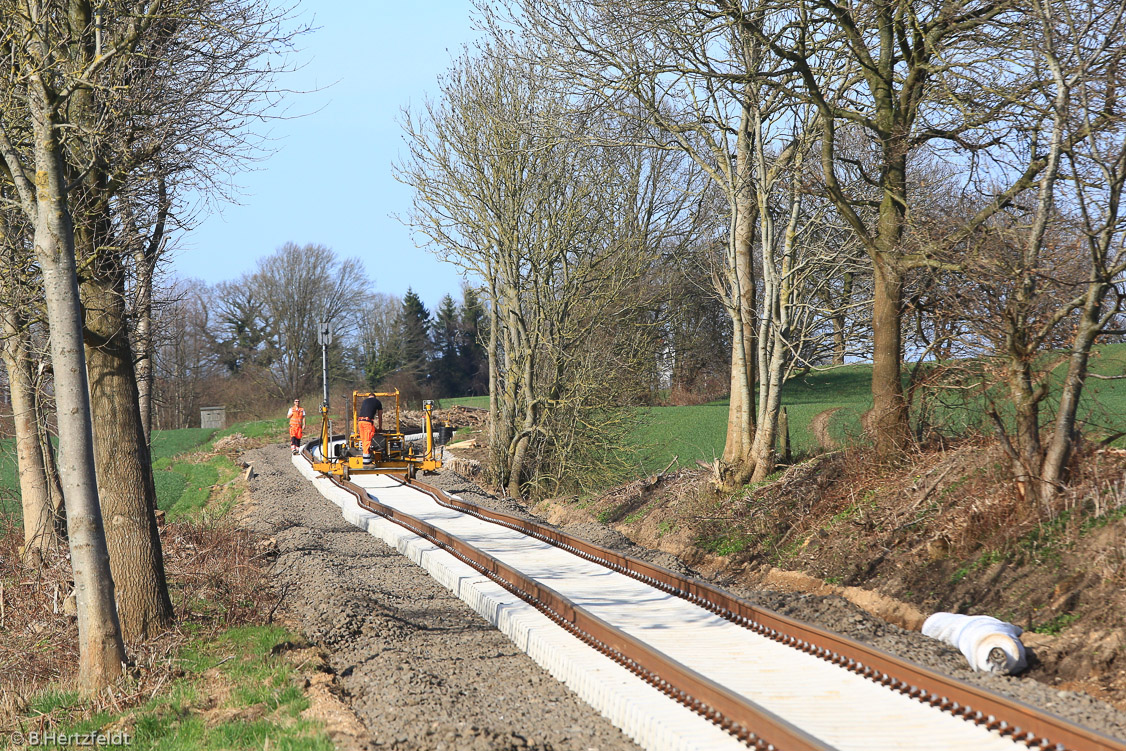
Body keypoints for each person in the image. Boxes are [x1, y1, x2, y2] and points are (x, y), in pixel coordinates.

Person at [357, 394, 383, 463]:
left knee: (363, 440)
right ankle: (366, 460)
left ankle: (366, 455)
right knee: (367, 440)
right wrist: (380, 428)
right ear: (374, 397)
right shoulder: (377, 402)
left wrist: (374, 428)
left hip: (360, 422)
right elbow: (380, 416)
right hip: (367, 422)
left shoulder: (365, 401)